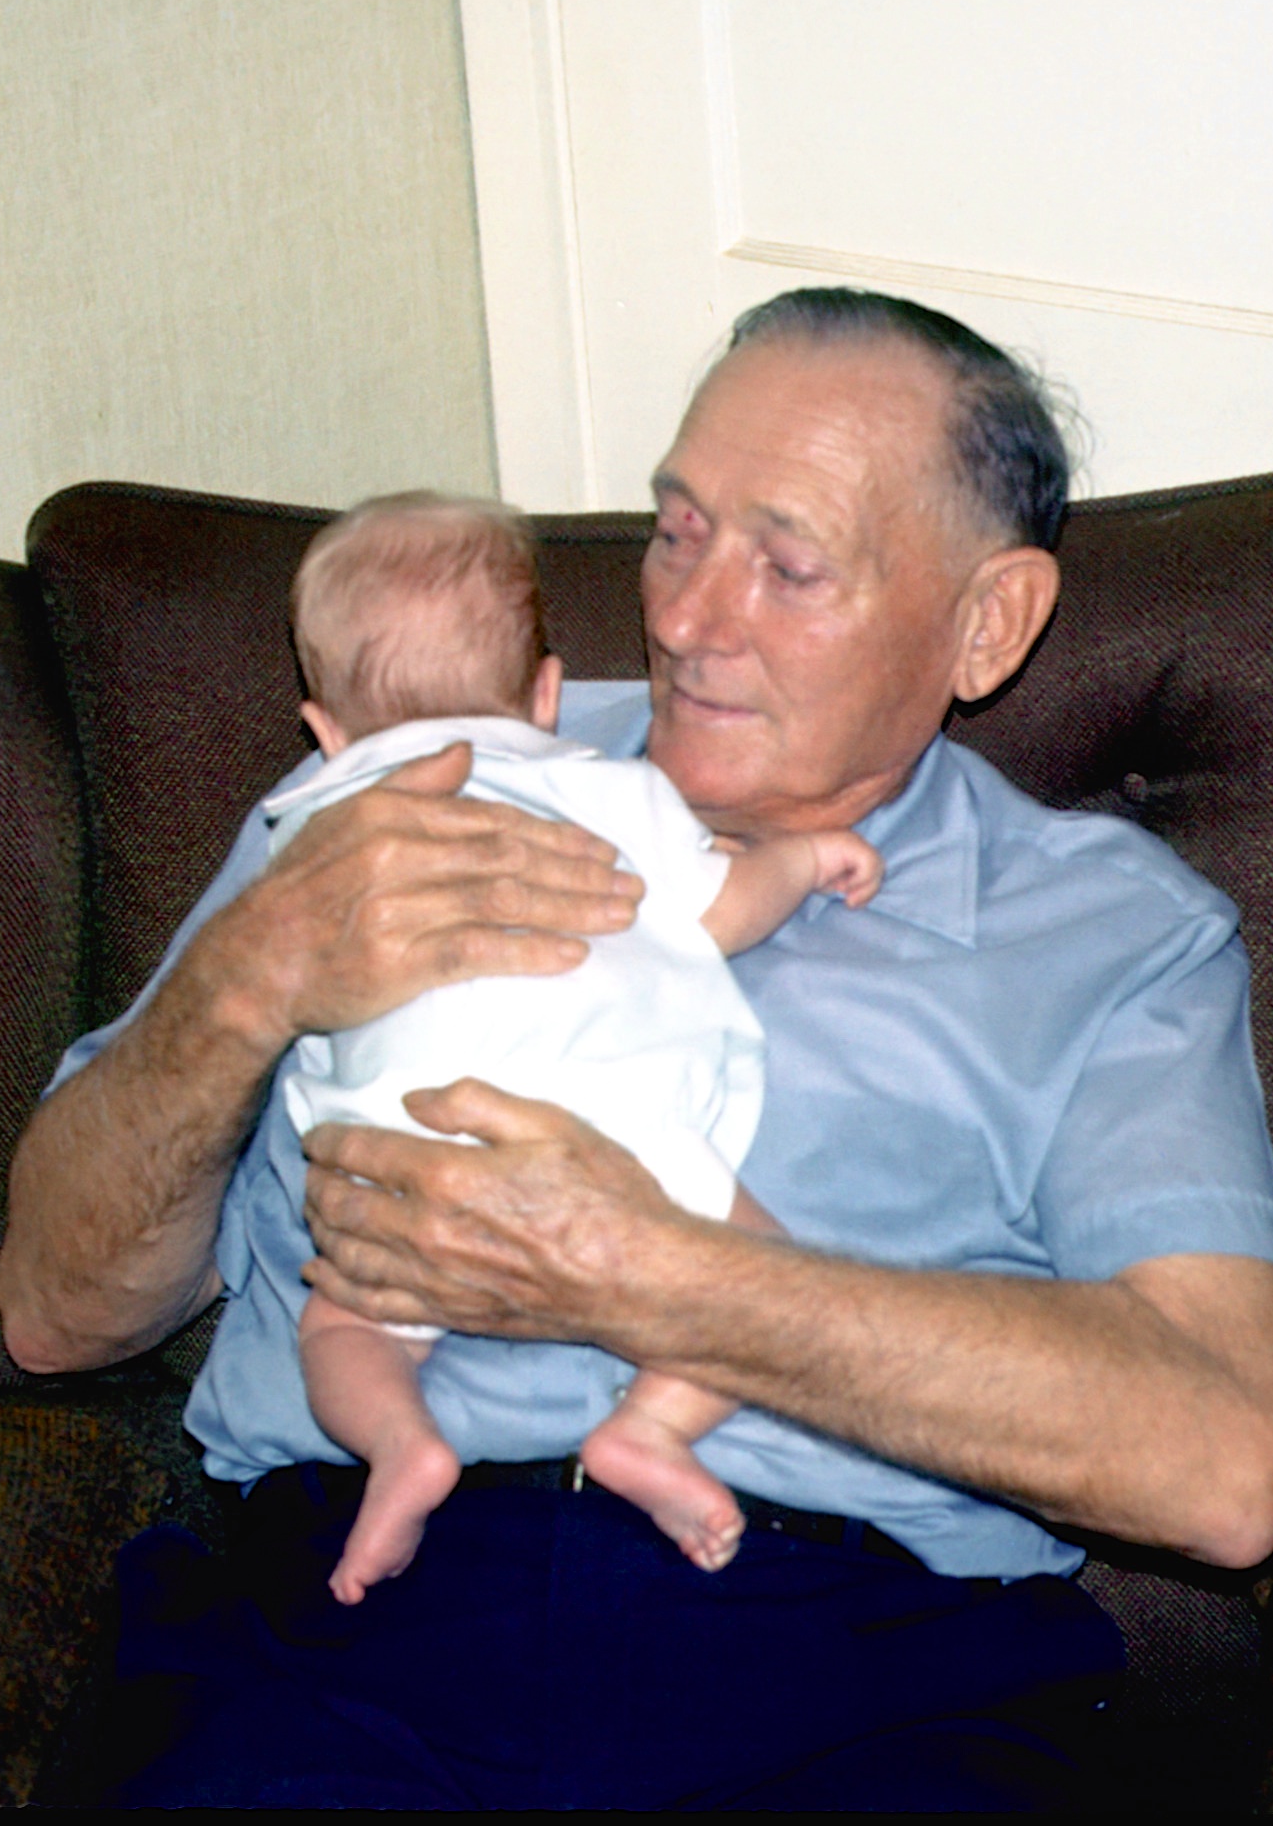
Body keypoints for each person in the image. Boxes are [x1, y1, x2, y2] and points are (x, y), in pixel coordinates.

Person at [0, 288, 1273, 1808]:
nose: (684, 619)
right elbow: (50, 1311)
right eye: (676, 532)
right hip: (350, 1626)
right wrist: (244, 982)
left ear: (988, 622)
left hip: (861, 1676)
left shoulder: (1109, 933)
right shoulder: (407, 782)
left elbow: (1220, 1467)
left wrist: (643, 1272)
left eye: (787, 566)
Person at [266, 490, 880, 1603]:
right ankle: (650, 1429)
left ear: (326, 733)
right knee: (756, 1278)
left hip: (394, 1150)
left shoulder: (313, 832)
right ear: (546, 693)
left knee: (344, 1322)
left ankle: (402, 1446)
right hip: (613, 1129)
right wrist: (798, 859)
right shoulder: (602, 787)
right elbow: (718, 910)